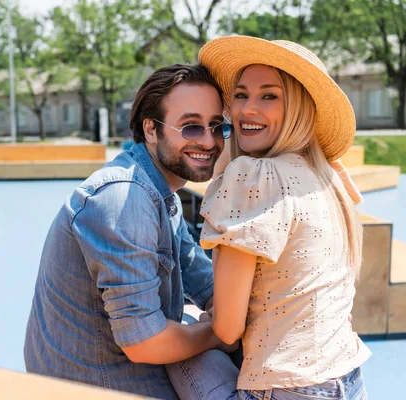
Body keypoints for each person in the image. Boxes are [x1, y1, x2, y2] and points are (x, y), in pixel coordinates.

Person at [166, 36, 372, 399]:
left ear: (298, 108)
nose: (247, 110)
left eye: (269, 96)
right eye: (241, 95)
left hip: (284, 388)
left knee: (168, 336)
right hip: (347, 379)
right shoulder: (324, 176)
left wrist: (201, 324)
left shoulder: (254, 177)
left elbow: (228, 330)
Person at [24, 64, 236, 399]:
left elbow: (207, 283)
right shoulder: (124, 198)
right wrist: (216, 332)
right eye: (191, 127)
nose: (209, 141)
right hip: (103, 387)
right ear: (151, 129)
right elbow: (145, 341)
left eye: (216, 126)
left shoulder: (163, 195)